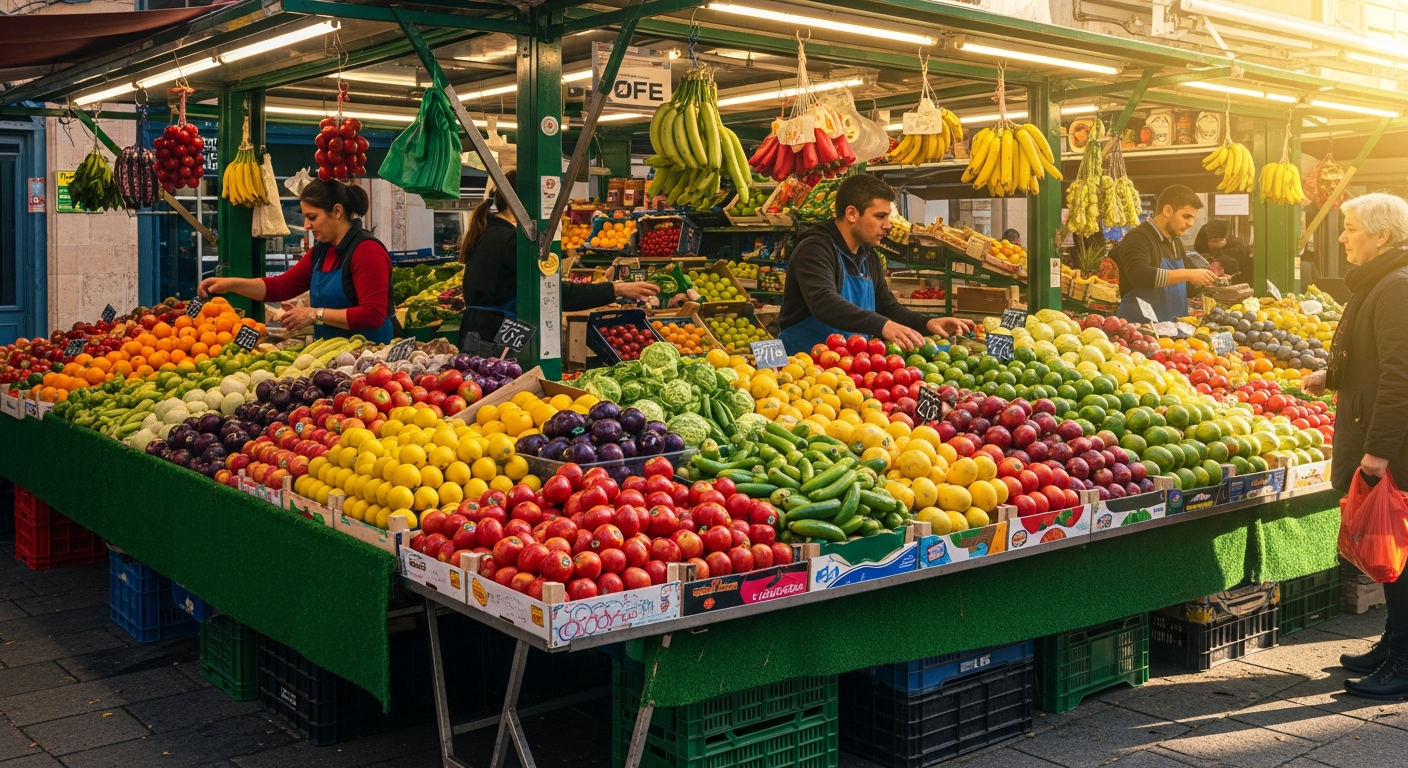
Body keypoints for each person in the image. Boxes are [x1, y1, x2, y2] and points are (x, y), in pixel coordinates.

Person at [1302, 193, 1408, 700]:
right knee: (1391, 550)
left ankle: (1405, 661)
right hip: (1385, 441)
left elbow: (1400, 378)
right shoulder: (1382, 281)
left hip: (1399, 453)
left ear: (1381, 236)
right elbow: (1374, 355)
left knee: (1401, 554)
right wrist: (1334, 374)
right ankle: (1394, 642)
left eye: (1350, 228)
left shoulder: (1396, 286)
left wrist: (1378, 453)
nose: (1342, 237)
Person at [458, 171, 660, 348]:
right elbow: (552, 292)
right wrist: (615, 289)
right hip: (495, 334)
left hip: (482, 329)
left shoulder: (489, 232)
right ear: (517, 205)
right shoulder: (512, 241)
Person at [778, 175, 972, 354]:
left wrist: (928, 323)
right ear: (852, 214)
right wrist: (883, 325)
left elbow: (886, 307)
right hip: (803, 368)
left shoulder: (868, 255)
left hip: (850, 368)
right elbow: (824, 302)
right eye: (880, 216)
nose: (888, 225)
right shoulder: (815, 248)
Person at [199, 180, 394, 343]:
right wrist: (231, 283)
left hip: (370, 358)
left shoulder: (367, 250)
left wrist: (313, 314)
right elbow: (282, 286)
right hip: (335, 357)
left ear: (337, 211)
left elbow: (373, 314)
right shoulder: (323, 250)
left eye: (312, 217)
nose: (306, 225)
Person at [1113, 184, 1216, 322]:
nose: (1191, 223)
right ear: (1167, 210)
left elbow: (1187, 287)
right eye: (1186, 216)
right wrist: (1188, 273)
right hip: (1141, 332)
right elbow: (1139, 275)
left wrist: (1210, 280)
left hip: (1173, 331)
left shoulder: (1175, 242)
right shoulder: (1138, 237)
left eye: (1193, 218)